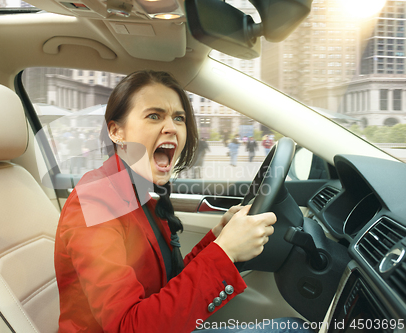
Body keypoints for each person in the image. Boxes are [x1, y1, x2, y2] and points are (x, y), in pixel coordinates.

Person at [55, 70, 312, 333]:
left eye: (179, 118)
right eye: (154, 116)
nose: (172, 128)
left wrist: (218, 238)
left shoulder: (136, 193)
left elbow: (167, 285)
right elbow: (129, 327)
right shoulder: (94, 203)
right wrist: (225, 252)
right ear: (116, 132)